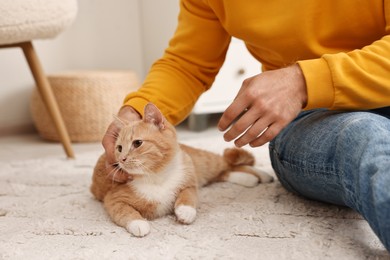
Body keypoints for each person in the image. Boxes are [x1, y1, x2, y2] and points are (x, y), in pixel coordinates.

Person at [102, 0, 390, 251]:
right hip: (311, 115)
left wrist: (304, 81)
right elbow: (187, 62)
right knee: (365, 138)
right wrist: (134, 113)